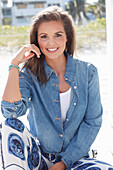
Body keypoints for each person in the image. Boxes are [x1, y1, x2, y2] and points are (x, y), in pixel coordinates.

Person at [0, 6, 113, 170]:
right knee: (9, 125)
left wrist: (63, 163)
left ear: (67, 37)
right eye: (44, 36)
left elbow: (92, 123)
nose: (51, 43)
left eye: (58, 35)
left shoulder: (88, 72)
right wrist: (14, 65)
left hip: (75, 160)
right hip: (38, 157)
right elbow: (10, 113)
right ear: (36, 41)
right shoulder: (30, 74)